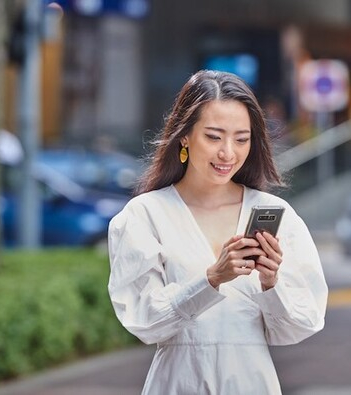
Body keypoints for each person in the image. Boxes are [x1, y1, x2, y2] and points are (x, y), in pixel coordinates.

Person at [107, 70, 328, 394]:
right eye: (213, 136)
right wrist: (211, 279)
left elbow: (300, 326)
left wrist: (271, 284)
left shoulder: (276, 215)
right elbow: (145, 322)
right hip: (178, 384)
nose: (228, 152)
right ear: (184, 136)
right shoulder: (145, 215)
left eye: (241, 139)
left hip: (252, 383)